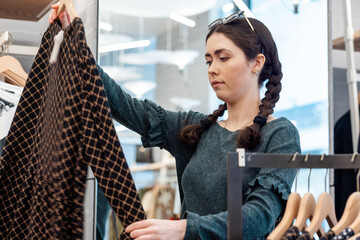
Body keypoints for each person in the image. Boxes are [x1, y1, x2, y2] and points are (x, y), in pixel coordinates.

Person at [49, 4, 301, 240]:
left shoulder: (280, 134)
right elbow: (124, 105)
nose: (212, 68)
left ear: (257, 62)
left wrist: (182, 229)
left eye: (223, 58)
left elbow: (259, 217)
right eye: (208, 60)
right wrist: (74, 40)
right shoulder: (196, 130)